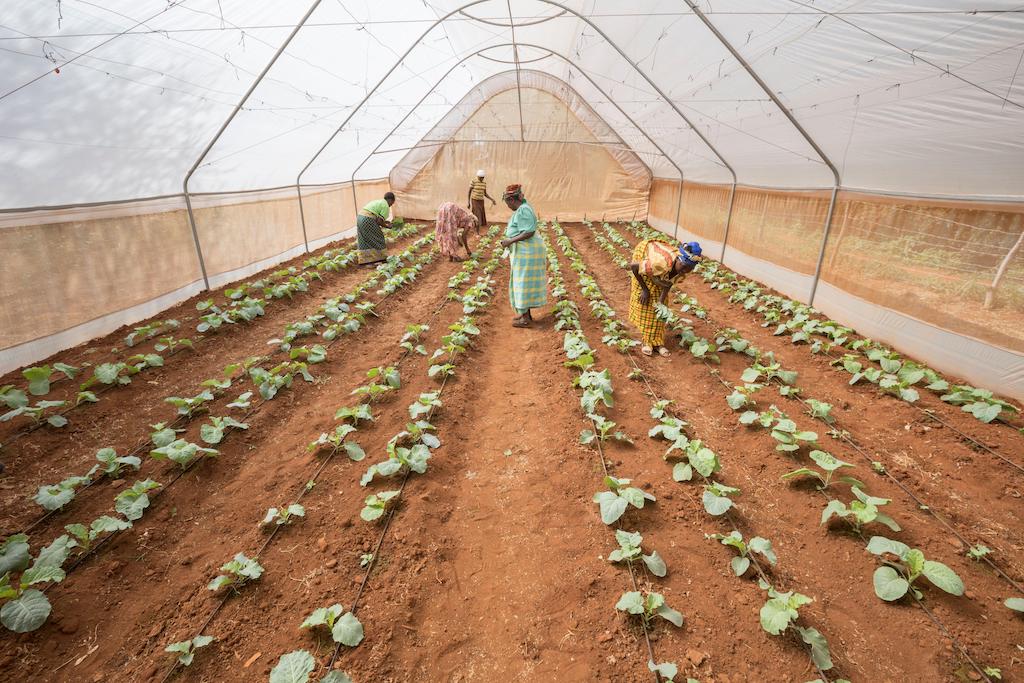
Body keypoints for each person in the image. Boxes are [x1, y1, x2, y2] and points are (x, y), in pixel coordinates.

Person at [629, 239, 703, 356]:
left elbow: (668, 283)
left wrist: (660, 302)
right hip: (644, 255)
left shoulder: (683, 271)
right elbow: (633, 267)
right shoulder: (660, 262)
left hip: (659, 271)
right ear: (678, 259)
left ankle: (658, 343)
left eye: (689, 268)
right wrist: (645, 290)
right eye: (683, 266)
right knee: (646, 305)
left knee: (660, 310)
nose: (685, 270)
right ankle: (646, 342)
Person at [500, 184, 547, 328]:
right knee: (522, 281)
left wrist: (510, 240)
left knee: (523, 282)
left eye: (508, 203)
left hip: (528, 252)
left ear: (512, 201)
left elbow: (529, 232)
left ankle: (525, 319)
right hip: (526, 251)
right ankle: (525, 314)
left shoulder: (523, 210)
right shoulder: (523, 208)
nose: (508, 206)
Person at [357, 192, 395, 265]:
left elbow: (376, 216)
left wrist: (385, 222)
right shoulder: (386, 206)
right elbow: (379, 221)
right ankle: (381, 258)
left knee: (365, 238)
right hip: (367, 219)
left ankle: (364, 260)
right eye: (392, 203)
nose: (391, 205)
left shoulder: (379, 202)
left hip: (360, 217)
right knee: (378, 236)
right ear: (391, 200)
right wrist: (388, 226)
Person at [467, 169, 496, 234]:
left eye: (482, 178)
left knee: (481, 213)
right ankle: (477, 230)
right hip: (474, 200)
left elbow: (485, 193)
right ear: (477, 176)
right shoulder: (473, 181)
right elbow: (469, 191)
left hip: (481, 200)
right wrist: (468, 202)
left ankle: (476, 225)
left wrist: (492, 199)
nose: (481, 179)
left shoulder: (484, 183)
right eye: (480, 177)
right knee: (477, 213)